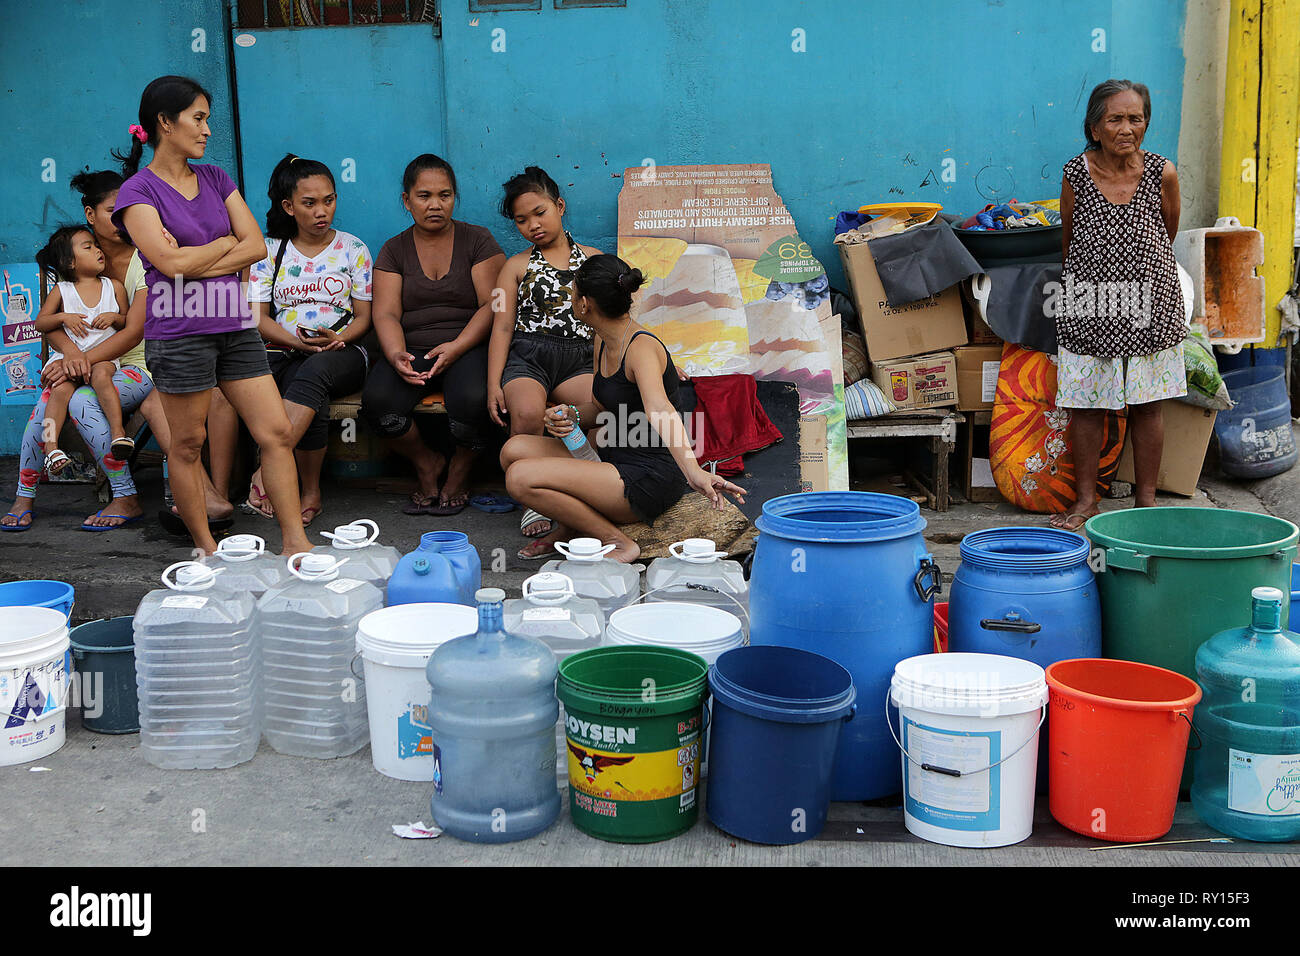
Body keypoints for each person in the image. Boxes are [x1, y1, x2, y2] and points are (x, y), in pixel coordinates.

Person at [110, 74, 312, 555]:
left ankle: (295, 544)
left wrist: (200, 257)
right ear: (164, 123)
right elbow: (168, 263)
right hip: (179, 333)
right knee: (186, 444)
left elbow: (256, 246)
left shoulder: (217, 178)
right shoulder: (136, 194)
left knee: (276, 433)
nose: (205, 130)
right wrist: (224, 245)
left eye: (206, 119)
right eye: (197, 118)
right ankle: (206, 547)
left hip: (234, 324)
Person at [3, 169, 228, 532]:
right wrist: (70, 357)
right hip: (86, 363)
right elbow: (54, 323)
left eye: (130, 210)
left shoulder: (146, 256)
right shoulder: (74, 255)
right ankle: (24, 495)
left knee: (80, 400)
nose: (123, 219)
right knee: (44, 406)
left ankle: (126, 496)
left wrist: (79, 361)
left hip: (142, 363)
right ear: (91, 214)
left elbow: (134, 330)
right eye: (113, 211)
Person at [501, 254, 745, 563]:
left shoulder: (640, 348)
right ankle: (572, 528)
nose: (572, 300)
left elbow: (660, 409)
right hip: (611, 457)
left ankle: (617, 541)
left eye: (573, 293)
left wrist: (693, 471)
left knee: (520, 477)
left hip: (646, 478)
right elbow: (602, 410)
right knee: (514, 449)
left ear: (585, 303)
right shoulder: (603, 339)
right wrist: (572, 415)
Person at [1050, 79, 1187, 531]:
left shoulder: (1161, 173)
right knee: (1087, 404)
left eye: (1136, 118)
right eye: (1116, 118)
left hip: (1152, 303)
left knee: (1148, 404)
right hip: (1089, 302)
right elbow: (1069, 240)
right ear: (1094, 126)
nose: (1127, 128)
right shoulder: (1075, 173)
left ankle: (1145, 504)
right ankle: (1086, 501)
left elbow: (1166, 233)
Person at [218, 153, 373, 527]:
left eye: (329, 200)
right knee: (299, 386)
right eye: (309, 203)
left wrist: (337, 337)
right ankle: (308, 492)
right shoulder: (270, 251)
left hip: (345, 350)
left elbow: (365, 317)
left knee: (314, 370)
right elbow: (257, 317)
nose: (322, 211)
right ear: (288, 207)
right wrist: (295, 342)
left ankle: (266, 474)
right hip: (285, 349)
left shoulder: (353, 249)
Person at [360, 154, 505, 516]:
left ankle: (459, 469)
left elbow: (493, 304)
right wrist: (395, 354)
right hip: (412, 346)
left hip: (468, 343)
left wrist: (457, 347)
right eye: (424, 196)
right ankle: (426, 463)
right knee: (378, 405)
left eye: (445, 195)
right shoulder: (394, 249)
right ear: (407, 200)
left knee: (474, 401)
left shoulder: (477, 240)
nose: (435, 204)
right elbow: (387, 312)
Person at [488, 166, 601, 539]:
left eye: (540, 212)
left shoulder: (594, 261)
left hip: (579, 358)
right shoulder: (516, 266)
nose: (533, 224)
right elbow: (502, 326)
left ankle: (578, 487)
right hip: (528, 357)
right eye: (522, 220)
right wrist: (493, 383)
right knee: (526, 412)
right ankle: (532, 500)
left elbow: (609, 325)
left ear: (560, 205)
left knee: (599, 410)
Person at [31, 226, 132, 473]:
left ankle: (118, 433)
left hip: (103, 357)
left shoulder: (113, 286)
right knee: (58, 393)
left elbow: (126, 321)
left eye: (96, 245)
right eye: (88, 247)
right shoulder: (62, 291)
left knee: (102, 377)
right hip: (68, 359)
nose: (98, 250)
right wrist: (63, 317)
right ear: (69, 262)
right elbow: (41, 322)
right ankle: (51, 447)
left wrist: (114, 317)